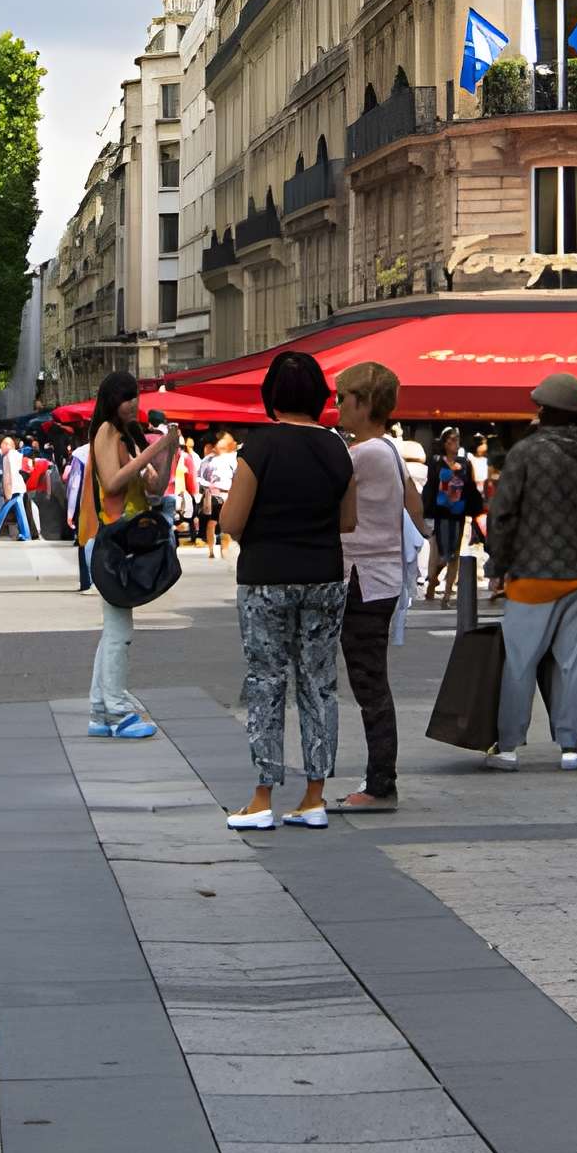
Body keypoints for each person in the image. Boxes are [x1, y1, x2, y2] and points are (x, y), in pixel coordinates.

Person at [219, 350, 357, 829]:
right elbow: (348, 520)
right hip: (323, 575)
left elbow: (232, 520)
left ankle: (262, 798)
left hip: (265, 576)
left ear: (271, 395)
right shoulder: (338, 447)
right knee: (319, 683)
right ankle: (315, 796)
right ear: (320, 395)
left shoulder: (261, 447)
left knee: (267, 681)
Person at [482, 373, 577, 773]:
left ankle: (508, 747)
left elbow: (504, 513)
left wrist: (498, 564)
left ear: (544, 412)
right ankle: (570, 747)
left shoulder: (526, 453)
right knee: (576, 661)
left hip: (531, 573)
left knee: (520, 662)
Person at [333, 360, 422, 812]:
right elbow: (417, 510)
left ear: (364, 403)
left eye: (343, 398)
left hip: (362, 577)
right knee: (372, 681)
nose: (337, 407)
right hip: (382, 575)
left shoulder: (361, 454)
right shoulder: (388, 450)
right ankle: (379, 778)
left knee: (369, 684)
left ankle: (379, 783)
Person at [81, 373, 179, 740]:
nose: (133, 404)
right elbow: (112, 481)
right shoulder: (107, 431)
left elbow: (154, 488)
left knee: (113, 631)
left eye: (135, 396)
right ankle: (119, 712)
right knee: (120, 631)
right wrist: (158, 446)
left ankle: (99, 711)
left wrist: (170, 450)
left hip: (124, 540)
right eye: (126, 397)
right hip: (111, 538)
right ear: (111, 400)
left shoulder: (129, 436)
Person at [422, 427, 483, 600]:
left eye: (457, 439)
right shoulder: (436, 463)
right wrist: (428, 509)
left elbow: (470, 486)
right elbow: (431, 486)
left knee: (454, 553)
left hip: (459, 512)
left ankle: (447, 594)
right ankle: (433, 582)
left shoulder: (464, 462)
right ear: (444, 443)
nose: (455, 443)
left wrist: (473, 508)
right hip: (441, 512)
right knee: (441, 553)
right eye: (451, 440)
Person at [0, 437, 34, 541]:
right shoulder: (13, 455)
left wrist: (8, 493)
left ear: (10, 446)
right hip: (17, 488)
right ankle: (25, 534)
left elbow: (9, 475)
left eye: (4, 443)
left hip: (14, 489)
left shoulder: (9, 456)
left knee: (2, 512)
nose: (1, 446)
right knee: (20, 512)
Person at [198, 433, 237, 560]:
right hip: (214, 494)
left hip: (228, 493)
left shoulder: (231, 459)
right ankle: (211, 549)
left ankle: (224, 549)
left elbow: (236, 474)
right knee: (212, 522)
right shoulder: (207, 460)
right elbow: (199, 477)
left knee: (226, 523)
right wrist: (210, 486)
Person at [63, 434, 94, 590]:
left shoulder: (81, 454)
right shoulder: (113, 449)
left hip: (86, 504)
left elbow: (74, 484)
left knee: (84, 541)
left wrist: (70, 511)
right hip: (108, 503)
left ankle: (87, 581)